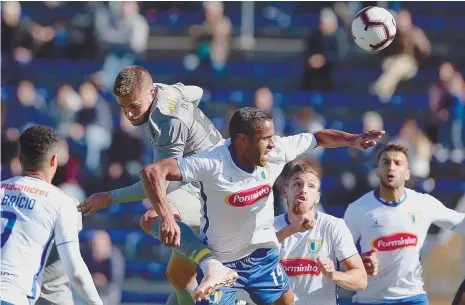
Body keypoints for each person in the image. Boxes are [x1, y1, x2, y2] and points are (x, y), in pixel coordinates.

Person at [139, 107, 384, 304]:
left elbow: (318, 138)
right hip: (220, 263)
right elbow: (152, 172)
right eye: (265, 138)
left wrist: (353, 140)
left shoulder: (276, 152)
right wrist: (167, 217)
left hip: (261, 258)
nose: (273, 143)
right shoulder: (212, 162)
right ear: (242, 141)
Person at [77, 65, 237, 305]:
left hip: (214, 192)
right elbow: (197, 92)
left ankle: (212, 266)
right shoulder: (166, 92)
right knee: (179, 277)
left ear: (151, 94)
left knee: (153, 218)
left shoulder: (166, 121)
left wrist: (110, 197)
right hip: (208, 183)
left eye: (134, 106)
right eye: (123, 107)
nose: (129, 115)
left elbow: (155, 181)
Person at [344, 143, 465, 305]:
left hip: (412, 297)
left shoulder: (423, 203)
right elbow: (339, 254)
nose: (391, 167)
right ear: (377, 171)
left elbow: (459, 222)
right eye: (386, 162)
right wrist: (358, 263)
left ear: (407, 174)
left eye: (398, 163)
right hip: (370, 300)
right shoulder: (357, 209)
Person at [237, 163, 369, 305]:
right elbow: (247, 267)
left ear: (317, 197)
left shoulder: (333, 226)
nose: (303, 189)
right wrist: (291, 229)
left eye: (310, 186)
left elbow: (361, 280)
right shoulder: (268, 226)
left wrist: (333, 275)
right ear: (285, 191)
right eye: (297, 184)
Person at [0, 125, 102, 305]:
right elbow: (75, 270)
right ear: (54, 160)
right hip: (13, 297)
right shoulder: (62, 202)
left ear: (20, 159)